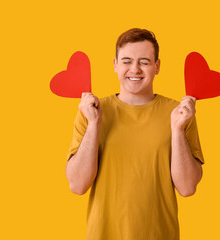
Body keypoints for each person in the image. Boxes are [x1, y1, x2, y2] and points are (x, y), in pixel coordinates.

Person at [65, 28, 204, 240]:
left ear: (157, 66)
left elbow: (187, 188)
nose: (135, 69)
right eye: (127, 61)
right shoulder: (91, 111)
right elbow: (77, 185)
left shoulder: (180, 114)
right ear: (115, 65)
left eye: (145, 62)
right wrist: (94, 125)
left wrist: (176, 129)